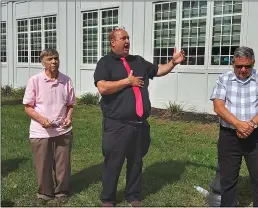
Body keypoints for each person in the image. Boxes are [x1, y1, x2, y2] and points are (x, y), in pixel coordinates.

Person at [94, 26, 185, 207]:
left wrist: (173, 63)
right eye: (123, 38)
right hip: (117, 125)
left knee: (136, 161)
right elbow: (102, 87)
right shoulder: (105, 63)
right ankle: (108, 199)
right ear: (113, 42)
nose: (127, 41)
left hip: (139, 124)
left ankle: (133, 196)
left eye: (128, 38)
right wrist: (128, 81)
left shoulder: (138, 61)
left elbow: (158, 70)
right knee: (114, 163)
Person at [210, 46, 258, 207]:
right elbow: (218, 106)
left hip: (257, 136)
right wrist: (238, 124)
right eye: (239, 66)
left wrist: (251, 125)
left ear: (253, 62)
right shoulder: (224, 78)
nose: (243, 69)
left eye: (248, 66)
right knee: (228, 178)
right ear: (233, 63)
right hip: (229, 135)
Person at [23, 48, 75, 206]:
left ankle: (61, 191)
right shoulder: (35, 80)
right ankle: (45, 193)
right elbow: (28, 106)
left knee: (63, 164)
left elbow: (70, 104)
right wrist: (42, 119)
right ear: (42, 62)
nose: (54, 62)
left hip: (62, 130)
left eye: (56, 58)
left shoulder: (66, 80)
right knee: (43, 163)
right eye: (50, 59)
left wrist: (68, 117)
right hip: (41, 131)